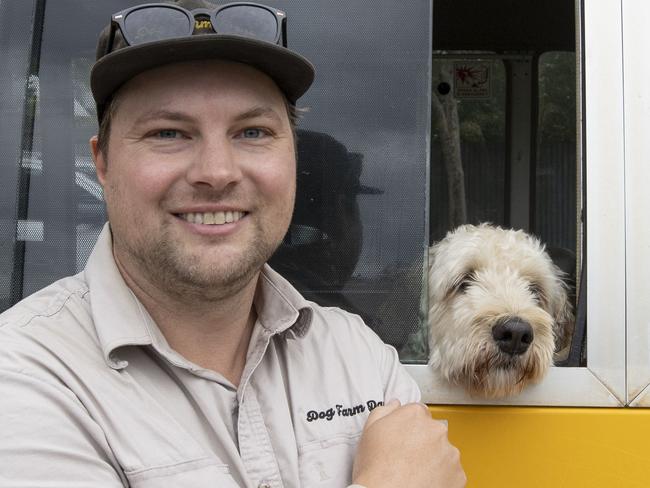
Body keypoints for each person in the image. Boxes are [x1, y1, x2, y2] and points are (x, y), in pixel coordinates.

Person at [0, 1, 466, 487]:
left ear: (291, 156)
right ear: (103, 163)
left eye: (252, 132)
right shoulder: (24, 377)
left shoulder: (356, 354)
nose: (217, 173)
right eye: (168, 133)